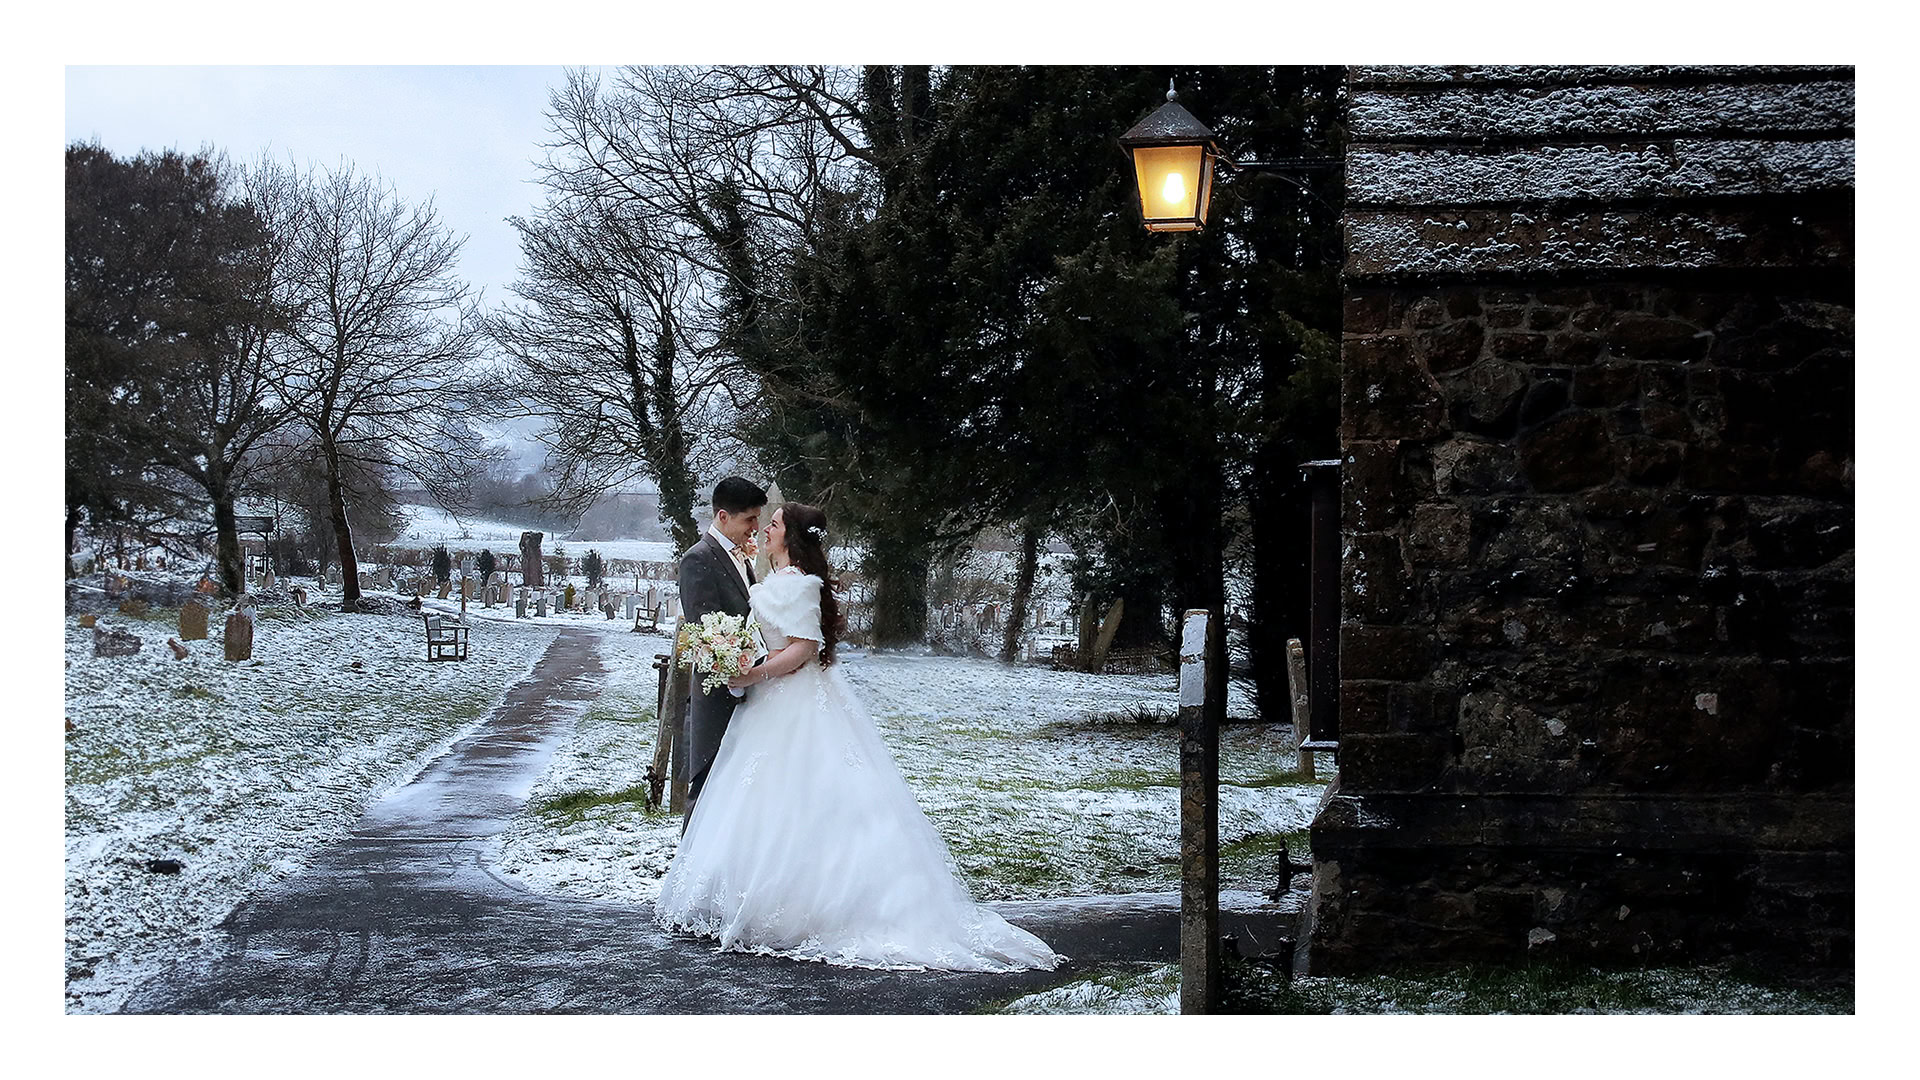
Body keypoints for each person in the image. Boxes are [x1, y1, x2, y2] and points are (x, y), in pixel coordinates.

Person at [656, 502, 1061, 972]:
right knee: (762, 802)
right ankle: (754, 900)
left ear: (791, 537)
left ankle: (811, 908)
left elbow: (805, 649)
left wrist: (754, 673)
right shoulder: (773, 579)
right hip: (768, 705)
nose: (765, 529)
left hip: (793, 702)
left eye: (774, 524)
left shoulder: (801, 584)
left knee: (805, 801)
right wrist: (738, 660)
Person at [675, 477, 767, 827]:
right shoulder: (698, 559)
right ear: (724, 516)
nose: (755, 528)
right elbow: (706, 633)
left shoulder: (742, 557)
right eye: (749, 519)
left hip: (747, 688)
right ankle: (689, 859)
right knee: (707, 787)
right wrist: (738, 667)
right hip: (716, 697)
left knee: (733, 791)